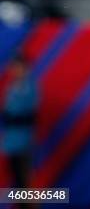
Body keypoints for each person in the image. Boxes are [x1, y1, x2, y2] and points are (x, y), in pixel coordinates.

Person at [1, 54, 37, 192]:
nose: (15, 70)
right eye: (13, 67)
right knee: (16, 184)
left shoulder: (29, 87)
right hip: (11, 143)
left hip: (24, 143)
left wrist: (11, 116)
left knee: (26, 184)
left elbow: (30, 115)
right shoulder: (11, 88)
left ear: (25, 68)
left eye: (18, 66)